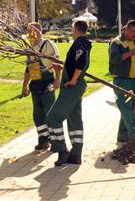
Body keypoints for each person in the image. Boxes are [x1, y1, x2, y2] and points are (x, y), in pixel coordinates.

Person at [46, 20, 92, 166]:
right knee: (74, 119)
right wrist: (62, 68)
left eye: (72, 28)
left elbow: (81, 61)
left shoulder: (79, 43)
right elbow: (76, 63)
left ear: (76, 29)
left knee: (53, 117)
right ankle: (76, 154)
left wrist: (72, 80)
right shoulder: (85, 42)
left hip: (72, 86)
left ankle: (62, 150)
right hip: (76, 85)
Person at [109, 20, 135, 146]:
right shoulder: (117, 42)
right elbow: (114, 59)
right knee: (126, 106)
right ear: (125, 29)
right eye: (133, 31)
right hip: (122, 81)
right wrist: (129, 53)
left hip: (134, 81)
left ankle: (122, 135)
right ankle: (134, 134)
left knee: (130, 108)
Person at [22, 22, 60, 150]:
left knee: (50, 112)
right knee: (38, 114)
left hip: (47, 82)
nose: (30, 34)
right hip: (35, 84)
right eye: (28, 32)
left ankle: (56, 141)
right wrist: (24, 86)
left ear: (39, 31)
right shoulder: (29, 47)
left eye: (32, 31)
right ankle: (43, 140)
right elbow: (28, 68)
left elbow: (57, 64)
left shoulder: (48, 45)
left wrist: (57, 81)